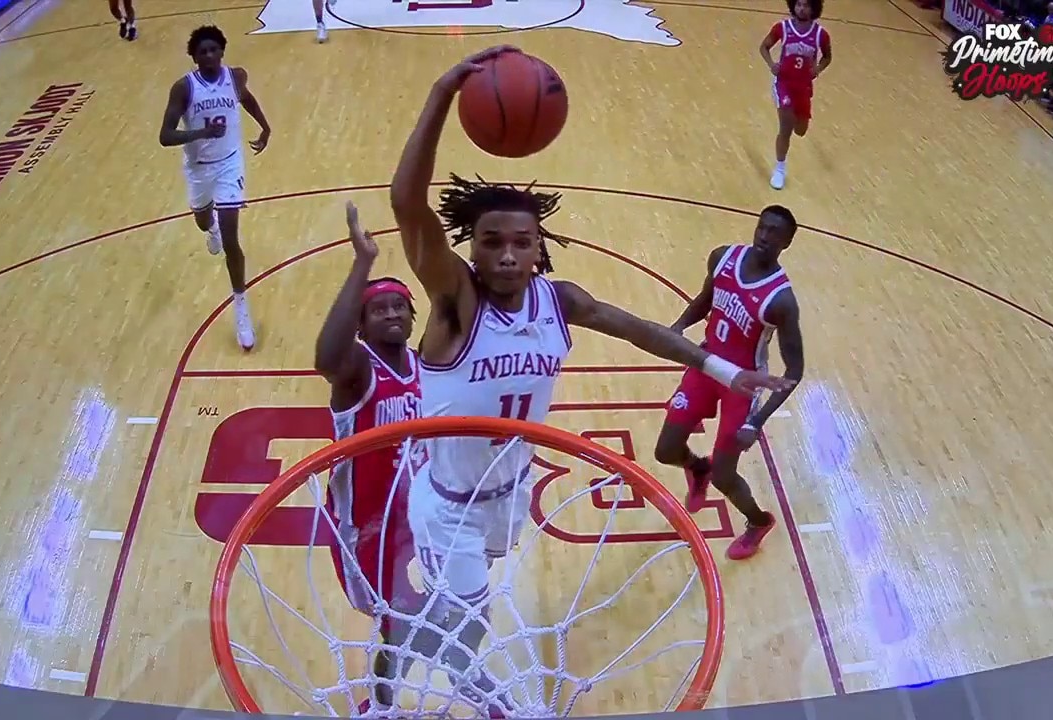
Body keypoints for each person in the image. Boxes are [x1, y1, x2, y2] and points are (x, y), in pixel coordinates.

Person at [388, 45, 796, 714]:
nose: (509, 254)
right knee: (469, 617)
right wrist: (440, 95)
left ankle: (448, 611)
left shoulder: (561, 300)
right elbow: (407, 203)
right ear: (472, 248)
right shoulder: (456, 302)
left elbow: (642, 328)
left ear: (540, 246)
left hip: (510, 489)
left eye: (522, 241)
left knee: (478, 586)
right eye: (492, 241)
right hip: (448, 500)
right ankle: (477, 685)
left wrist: (724, 367)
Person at [314, 201, 425, 714]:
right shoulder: (358, 369)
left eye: (399, 306)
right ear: (361, 324)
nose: (392, 314)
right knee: (400, 625)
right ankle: (380, 703)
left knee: (436, 616)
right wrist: (363, 263)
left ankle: (385, 698)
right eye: (378, 309)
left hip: (421, 519)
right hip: (368, 530)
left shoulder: (426, 365)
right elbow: (326, 359)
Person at [656, 206, 804, 561]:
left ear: (786, 243)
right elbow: (706, 300)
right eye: (763, 227)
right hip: (706, 365)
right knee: (665, 451)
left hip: (742, 384)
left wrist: (757, 421)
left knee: (726, 477)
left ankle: (758, 521)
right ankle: (696, 466)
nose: (766, 236)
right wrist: (677, 329)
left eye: (775, 233)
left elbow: (794, 372)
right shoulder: (723, 258)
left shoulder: (781, 301)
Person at [159, 25, 271, 350]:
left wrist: (265, 127)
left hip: (230, 165)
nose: (209, 55)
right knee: (204, 221)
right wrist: (200, 134)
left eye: (214, 50)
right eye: (202, 51)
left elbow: (247, 99)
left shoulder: (235, 77)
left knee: (233, 239)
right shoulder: (184, 88)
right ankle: (212, 230)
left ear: (222, 50)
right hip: (198, 169)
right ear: (193, 57)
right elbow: (165, 136)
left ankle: (241, 306)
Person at [759, 0, 830, 190]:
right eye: (798, 4)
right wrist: (772, 64)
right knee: (786, 127)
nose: (801, 8)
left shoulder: (820, 34)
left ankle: (781, 164)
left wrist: (818, 68)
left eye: (806, 5)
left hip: (803, 87)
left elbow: (827, 56)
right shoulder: (782, 27)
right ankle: (780, 168)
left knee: (800, 130)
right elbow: (764, 47)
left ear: (813, 8)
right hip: (784, 84)